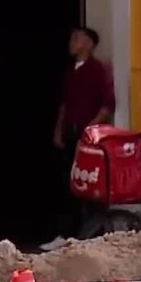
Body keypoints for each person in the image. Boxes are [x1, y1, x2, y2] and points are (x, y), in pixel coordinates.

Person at [42, 26, 116, 251]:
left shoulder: (98, 69)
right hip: (71, 133)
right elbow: (65, 103)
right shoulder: (71, 71)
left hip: (89, 137)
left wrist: (89, 129)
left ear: (89, 44)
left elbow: (108, 105)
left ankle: (94, 235)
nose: (72, 42)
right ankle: (65, 234)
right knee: (68, 184)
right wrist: (58, 129)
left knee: (91, 185)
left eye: (77, 38)